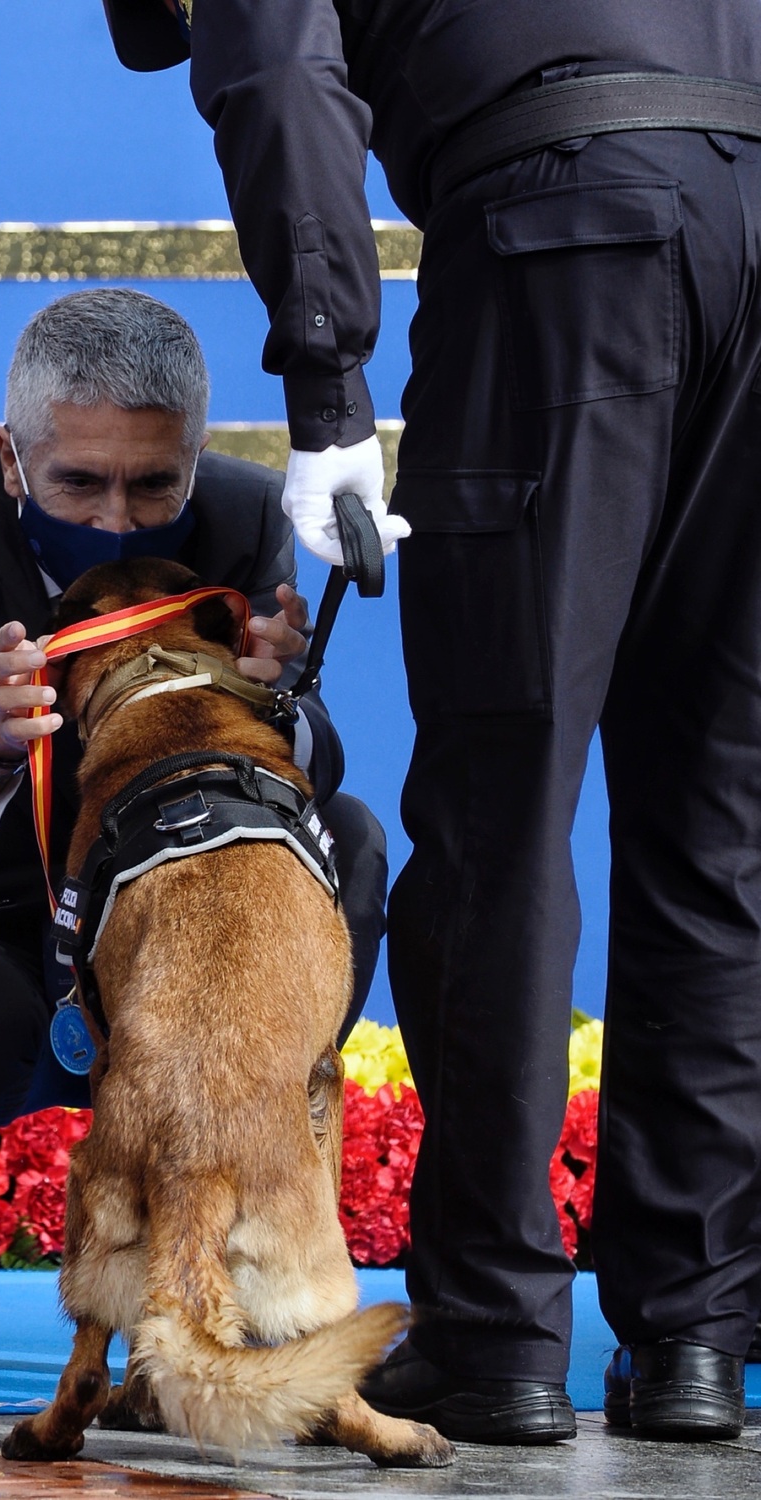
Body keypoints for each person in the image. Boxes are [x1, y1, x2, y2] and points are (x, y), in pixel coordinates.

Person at [101, 0, 761, 1446]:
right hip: (753, 216)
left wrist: (329, 386)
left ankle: (494, 1331)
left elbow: (273, 63)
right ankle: (697, 1336)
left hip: (568, 247)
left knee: (501, 820)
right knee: (719, 826)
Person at [0, 287, 387, 1372]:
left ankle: (220, 1243)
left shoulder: (245, 518)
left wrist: (282, 698)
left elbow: (312, 766)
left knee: (346, 842)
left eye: (154, 485)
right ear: (14, 462)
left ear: (195, 461)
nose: (116, 518)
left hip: (169, 924)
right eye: (79, 481)